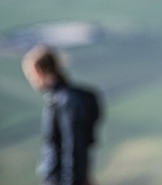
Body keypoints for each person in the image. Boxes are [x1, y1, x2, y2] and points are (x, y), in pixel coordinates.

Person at [22, 45, 102, 185]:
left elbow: (73, 147)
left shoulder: (65, 101)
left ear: (38, 71)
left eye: (30, 75)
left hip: (60, 179)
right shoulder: (68, 98)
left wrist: (72, 181)